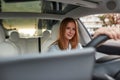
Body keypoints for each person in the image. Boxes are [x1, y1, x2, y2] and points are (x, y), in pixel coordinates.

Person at [48, 17, 120, 52]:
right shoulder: (53, 49)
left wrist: (97, 37)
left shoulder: (77, 46)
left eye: (73, 29)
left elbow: (86, 55)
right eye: (68, 28)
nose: (71, 32)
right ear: (62, 29)